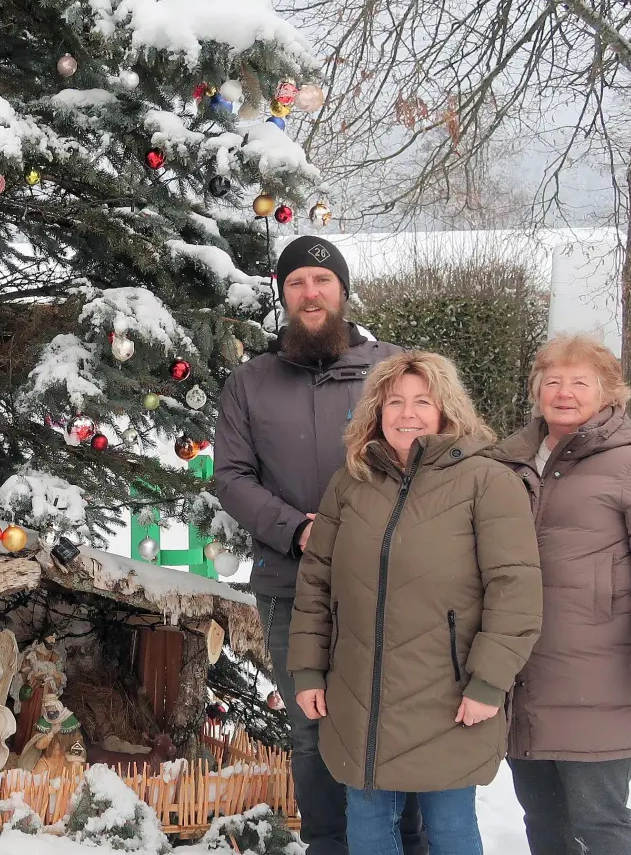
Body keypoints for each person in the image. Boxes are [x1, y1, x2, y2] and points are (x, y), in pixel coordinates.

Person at [213, 235, 426, 854]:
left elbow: (433, 459)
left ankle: (408, 843)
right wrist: (297, 529)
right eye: (297, 283)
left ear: (342, 289)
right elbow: (231, 476)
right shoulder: (250, 382)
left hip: (386, 581)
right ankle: (328, 844)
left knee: (391, 720)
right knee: (309, 727)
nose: (311, 293)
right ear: (283, 295)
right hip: (290, 581)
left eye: (322, 280)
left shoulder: (392, 372)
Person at [288, 350, 543, 855]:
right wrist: (309, 671)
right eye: (394, 402)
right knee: (366, 823)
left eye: (422, 401)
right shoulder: (351, 481)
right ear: (375, 413)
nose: (408, 413)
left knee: (449, 825)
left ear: (445, 409)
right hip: (360, 693)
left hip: (448, 695)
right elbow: (317, 582)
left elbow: (515, 589)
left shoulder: (487, 481)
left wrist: (489, 682)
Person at [487, 334, 631, 855]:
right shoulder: (507, 464)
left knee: (598, 821)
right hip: (523, 675)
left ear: (608, 394)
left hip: (598, 678)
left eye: (580, 382)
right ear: (536, 391)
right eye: (552, 381)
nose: (564, 392)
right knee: (543, 819)